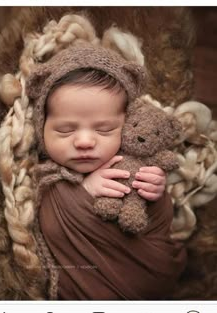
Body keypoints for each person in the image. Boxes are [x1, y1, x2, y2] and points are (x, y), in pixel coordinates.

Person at [26, 43, 186, 300]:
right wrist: (83, 192)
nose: (85, 142)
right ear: (41, 127)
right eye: (66, 130)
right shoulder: (42, 178)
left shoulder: (137, 163)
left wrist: (156, 195)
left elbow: (160, 225)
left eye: (104, 130)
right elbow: (45, 225)